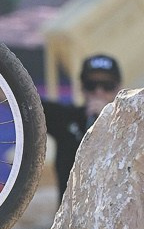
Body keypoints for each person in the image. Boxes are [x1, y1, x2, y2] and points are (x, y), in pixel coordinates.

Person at [41, 53, 122, 198]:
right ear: (82, 87)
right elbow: (11, 95)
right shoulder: (65, 118)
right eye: (91, 85)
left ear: (119, 88)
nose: (99, 92)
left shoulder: (131, 126)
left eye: (107, 86)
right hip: (72, 218)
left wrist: (109, 117)